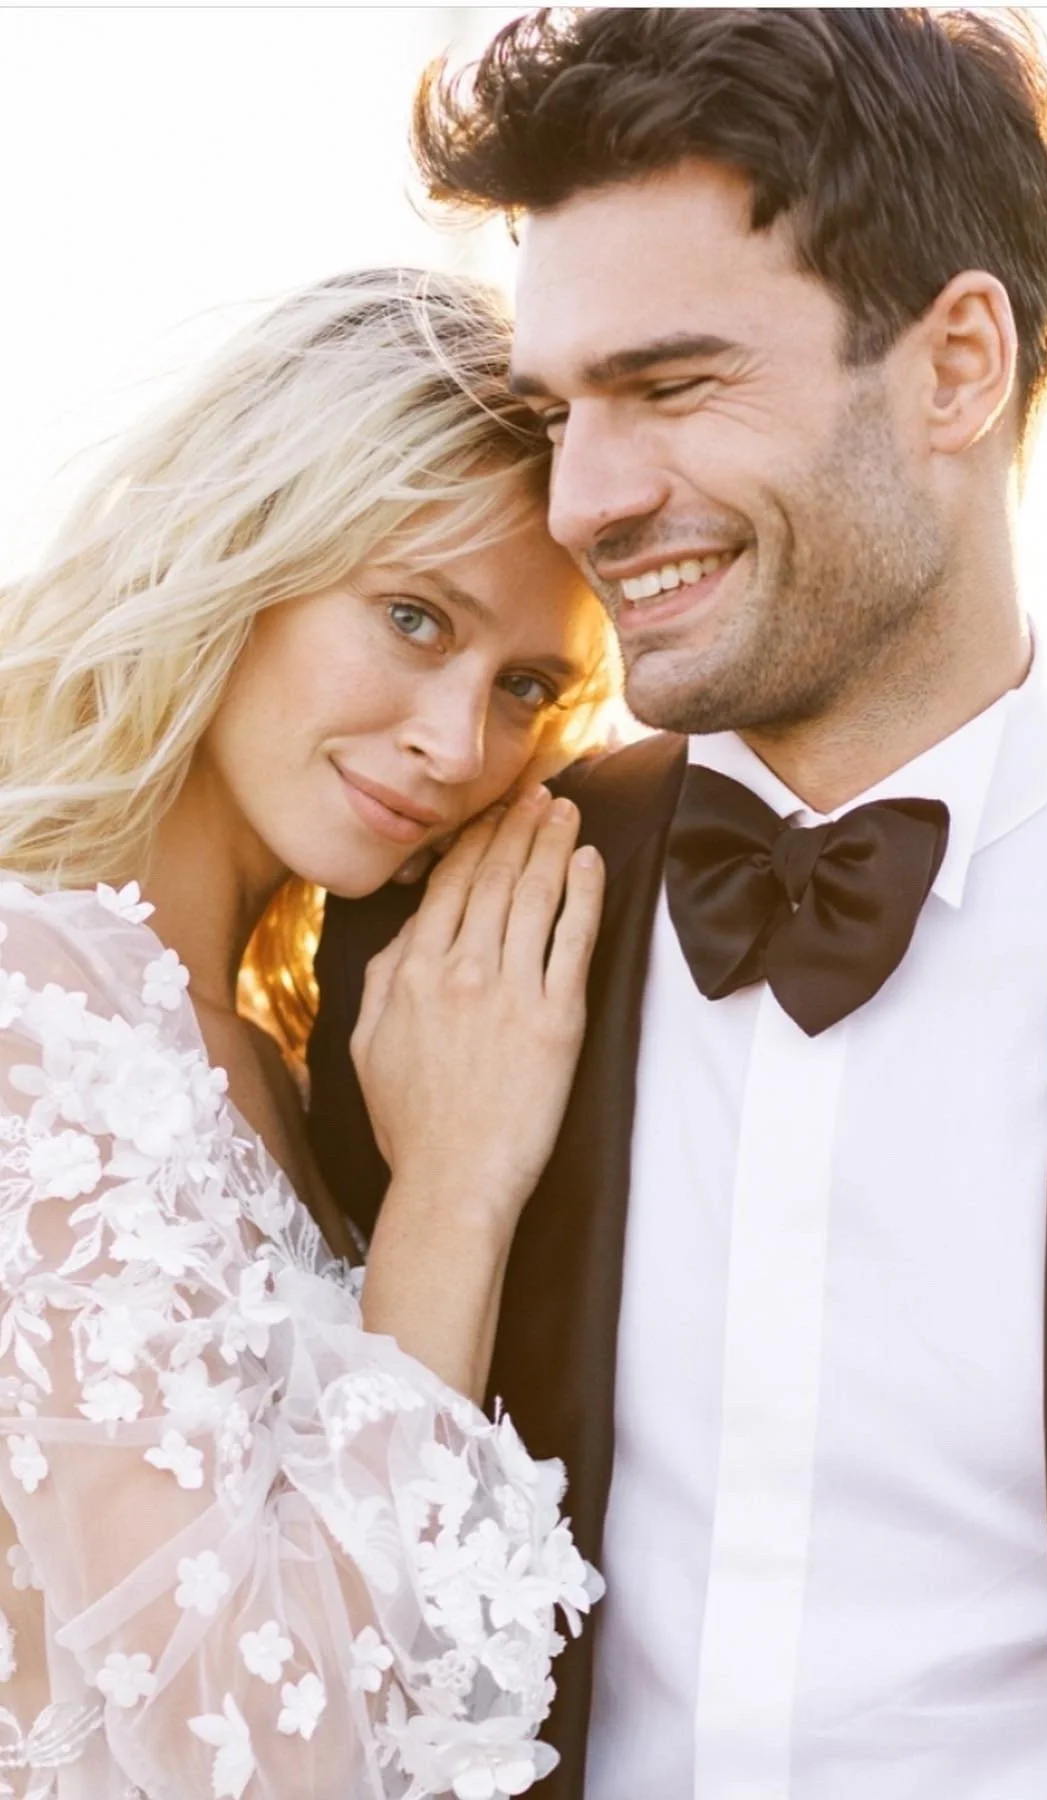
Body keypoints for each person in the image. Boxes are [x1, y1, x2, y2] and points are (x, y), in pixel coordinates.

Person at [308, 10, 1047, 1800]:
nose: (589, 500)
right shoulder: (429, 929)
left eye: (676, 384)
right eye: (566, 410)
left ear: (958, 366)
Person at [0, 267, 616, 1798]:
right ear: (242, 550)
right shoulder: (35, 1007)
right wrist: (454, 1199)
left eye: (526, 685)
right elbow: (255, 1753)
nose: (457, 744)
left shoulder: (269, 1046)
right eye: (413, 618)